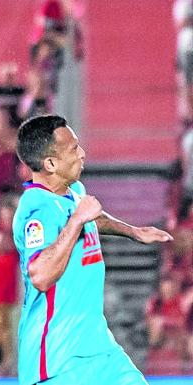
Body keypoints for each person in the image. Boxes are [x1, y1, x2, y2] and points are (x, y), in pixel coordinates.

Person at [12, 115, 173, 385]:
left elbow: (92, 218)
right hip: (58, 360)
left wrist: (133, 232)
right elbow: (40, 275)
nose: (83, 154)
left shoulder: (73, 191)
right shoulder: (36, 210)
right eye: (74, 149)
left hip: (101, 349)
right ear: (50, 164)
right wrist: (77, 220)